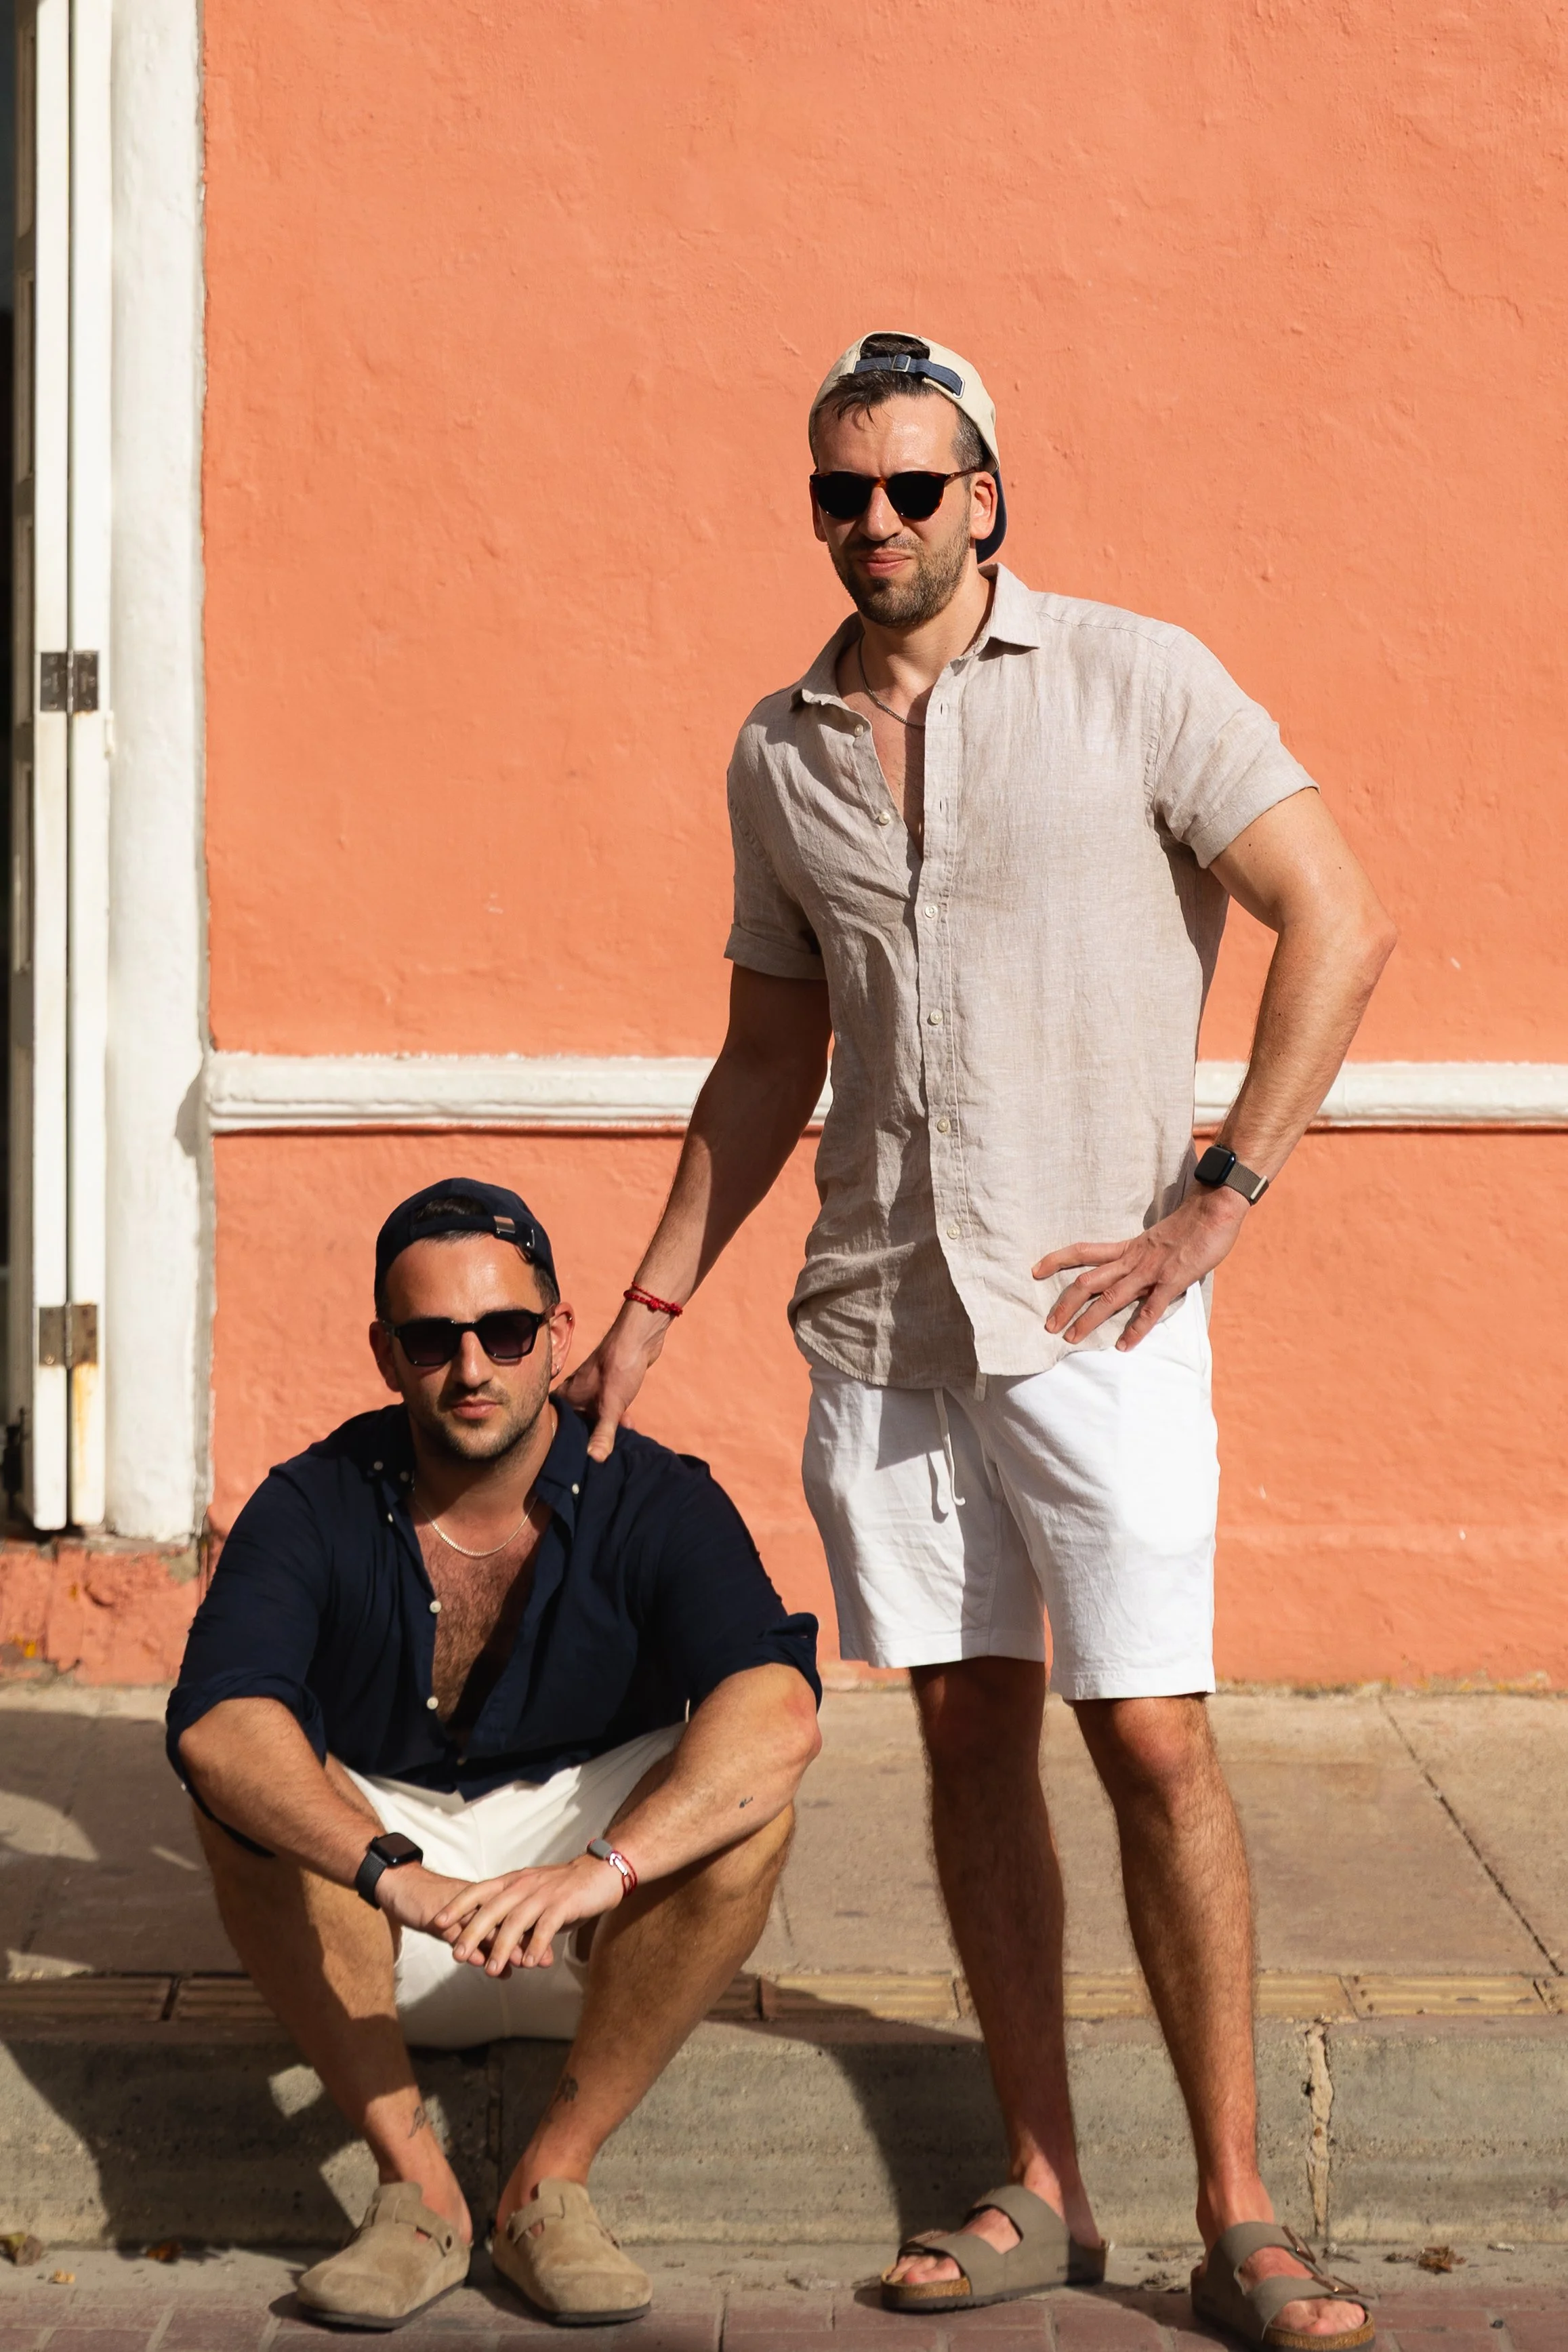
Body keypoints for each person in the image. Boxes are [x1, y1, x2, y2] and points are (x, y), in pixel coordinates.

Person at [562, 332, 1395, 2347]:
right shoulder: (781, 745)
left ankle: (1239, 2206)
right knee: (963, 1732)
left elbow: (1336, 914)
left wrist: (1223, 1188)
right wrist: (648, 1307)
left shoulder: (1135, 678)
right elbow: (772, 1054)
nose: (875, 522)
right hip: (881, 1311)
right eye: (842, 491)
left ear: (986, 495)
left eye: (913, 488)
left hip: (1092, 1312)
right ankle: (1044, 2175)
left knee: (1154, 1734)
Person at [168, 1179, 821, 2332]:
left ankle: (546, 2186)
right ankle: (417, 2195)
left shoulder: (655, 1498)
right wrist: (391, 1872)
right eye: (432, 1339)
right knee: (244, 1785)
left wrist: (600, 1870)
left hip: (584, 1927)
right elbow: (220, 1724)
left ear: (557, 1334)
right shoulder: (312, 1500)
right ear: (386, 1354)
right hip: (379, 1922)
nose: (472, 1368)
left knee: (745, 1804)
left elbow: (776, 1710)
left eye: (505, 1332)